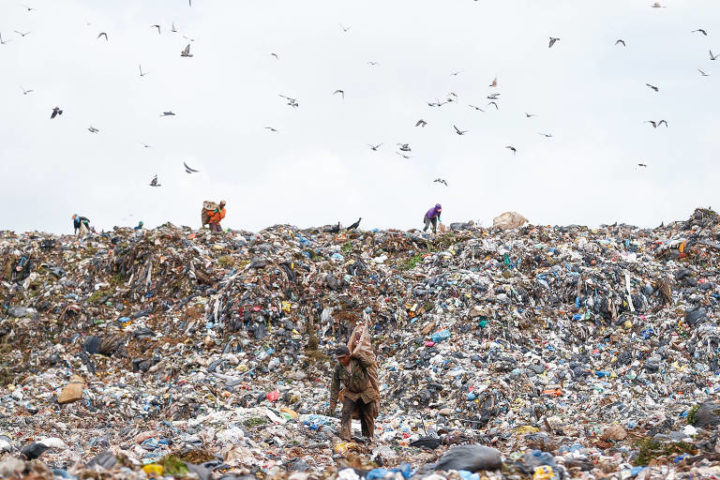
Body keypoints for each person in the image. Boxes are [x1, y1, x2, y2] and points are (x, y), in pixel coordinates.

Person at [329, 323, 380, 442]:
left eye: (343, 358)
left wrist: (358, 355)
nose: (341, 360)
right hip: (351, 393)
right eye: (339, 358)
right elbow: (335, 386)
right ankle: (345, 437)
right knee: (346, 413)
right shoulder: (338, 368)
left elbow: (369, 363)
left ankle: (368, 438)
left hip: (365, 392)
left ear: (348, 355)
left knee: (367, 416)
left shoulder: (357, 361)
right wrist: (332, 403)